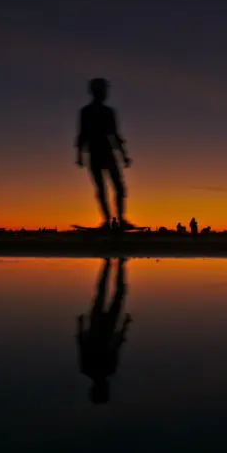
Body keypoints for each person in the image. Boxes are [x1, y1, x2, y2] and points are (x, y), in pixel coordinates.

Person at [75, 78, 134, 229]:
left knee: (118, 188)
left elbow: (114, 135)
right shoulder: (86, 112)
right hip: (96, 154)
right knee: (103, 189)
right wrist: (79, 156)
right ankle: (109, 221)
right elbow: (83, 135)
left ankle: (119, 219)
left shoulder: (107, 112)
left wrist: (123, 155)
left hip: (106, 153)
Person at [76, 257, 132, 404]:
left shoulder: (104, 370)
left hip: (104, 327)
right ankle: (111, 263)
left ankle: (117, 264)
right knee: (104, 293)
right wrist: (80, 325)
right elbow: (82, 344)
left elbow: (115, 346)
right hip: (100, 326)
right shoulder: (88, 370)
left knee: (114, 294)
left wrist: (125, 326)